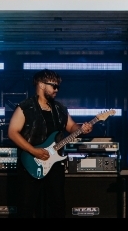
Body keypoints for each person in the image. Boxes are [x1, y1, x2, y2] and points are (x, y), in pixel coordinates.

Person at [7, 69, 93, 218]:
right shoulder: (25, 107)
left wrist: (82, 128)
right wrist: (34, 151)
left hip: (54, 164)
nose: (56, 90)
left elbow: (71, 127)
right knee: (26, 207)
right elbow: (12, 132)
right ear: (41, 85)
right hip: (30, 163)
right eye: (54, 86)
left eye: (58, 87)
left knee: (57, 205)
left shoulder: (60, 109)